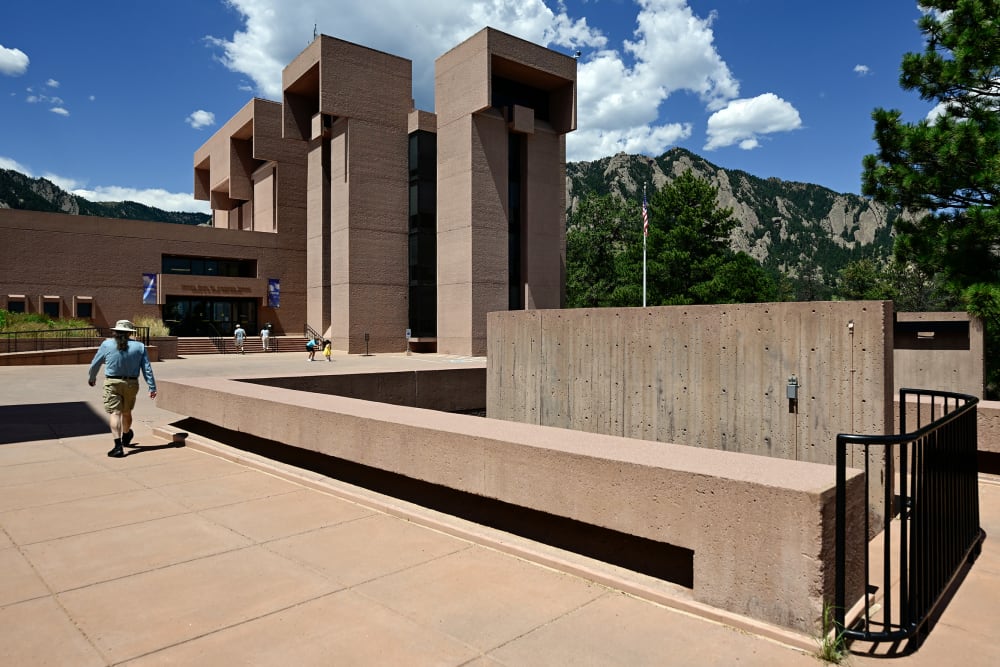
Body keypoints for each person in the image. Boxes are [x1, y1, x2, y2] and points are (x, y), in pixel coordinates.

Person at [87, 319, 157, 458]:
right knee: (126, 412)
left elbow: (95, 363)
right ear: (130, 333)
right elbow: (147, 368)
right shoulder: (139, 346)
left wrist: (92, 377)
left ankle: (118, 447)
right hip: (131, 383)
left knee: (115, 413)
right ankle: (126, 434)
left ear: (115, 332)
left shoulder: (107, 344)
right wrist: (152, 387)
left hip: (112, 382)